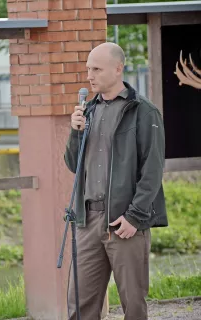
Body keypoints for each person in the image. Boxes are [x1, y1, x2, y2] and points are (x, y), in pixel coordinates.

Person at [64, 42, 167, 320]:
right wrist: (75, 133)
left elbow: (153, 170)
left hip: (125, 223)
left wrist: (135, 217)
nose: (90, 76)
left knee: (133, 305)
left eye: (96, 69)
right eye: (88, 69)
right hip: (89, 221)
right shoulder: (88, 111)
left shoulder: (144, 112)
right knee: (79, 305)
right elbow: (73, 165)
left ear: (118, 68)